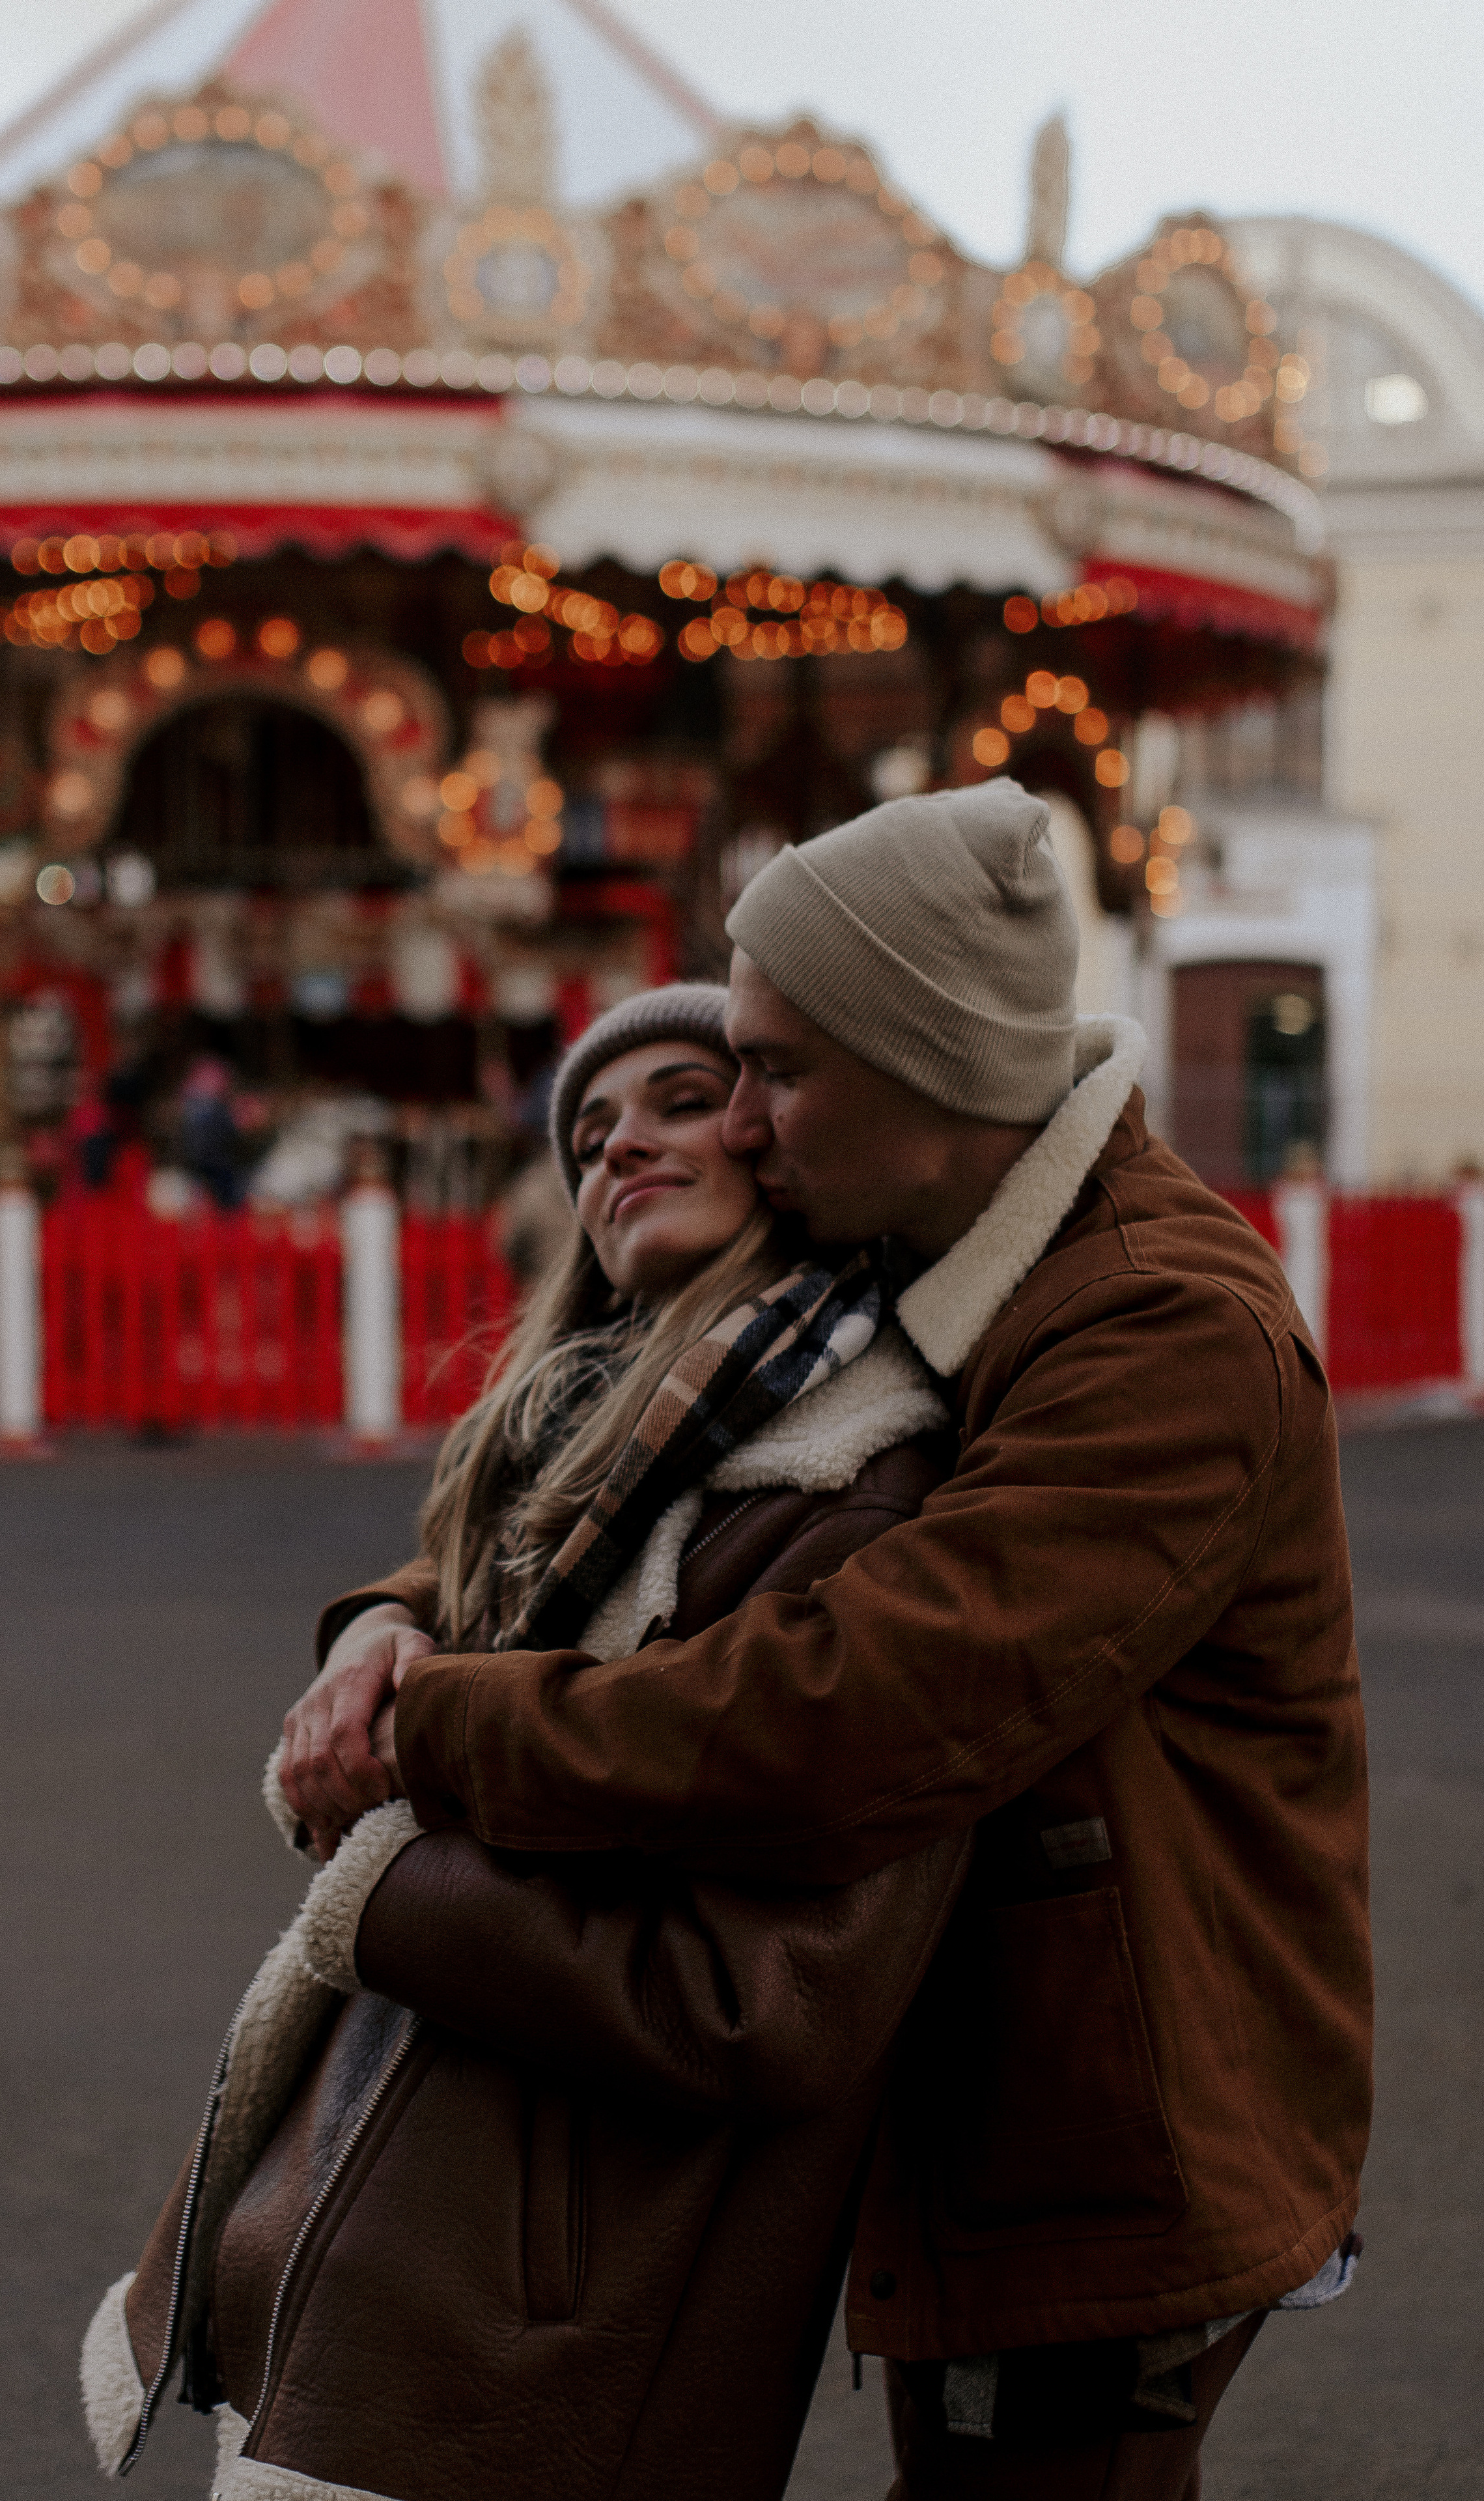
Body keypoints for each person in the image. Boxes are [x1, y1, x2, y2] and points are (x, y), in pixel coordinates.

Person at [283, 784, 1373, 2501]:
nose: (745, 1122)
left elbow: (854, 1705)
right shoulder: (911, 1275)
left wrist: (439, 1731)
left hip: (1111, 2118)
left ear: (930, 1066)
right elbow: (631, 1511)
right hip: (999, 2086)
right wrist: (398, 1620)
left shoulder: (1165, 1330)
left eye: (775, 1070)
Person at [83, 984, 972, 2501]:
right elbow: (518, 1599)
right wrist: (383, 1624)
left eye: (683, 1098)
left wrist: (389, 1883)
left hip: (555, 2330)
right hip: (402, 2250)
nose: (620, 1141)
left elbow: (761, 2005)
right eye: (587, 1131)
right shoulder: (571, 1463)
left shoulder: (855, 1497)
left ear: (780, 1142)